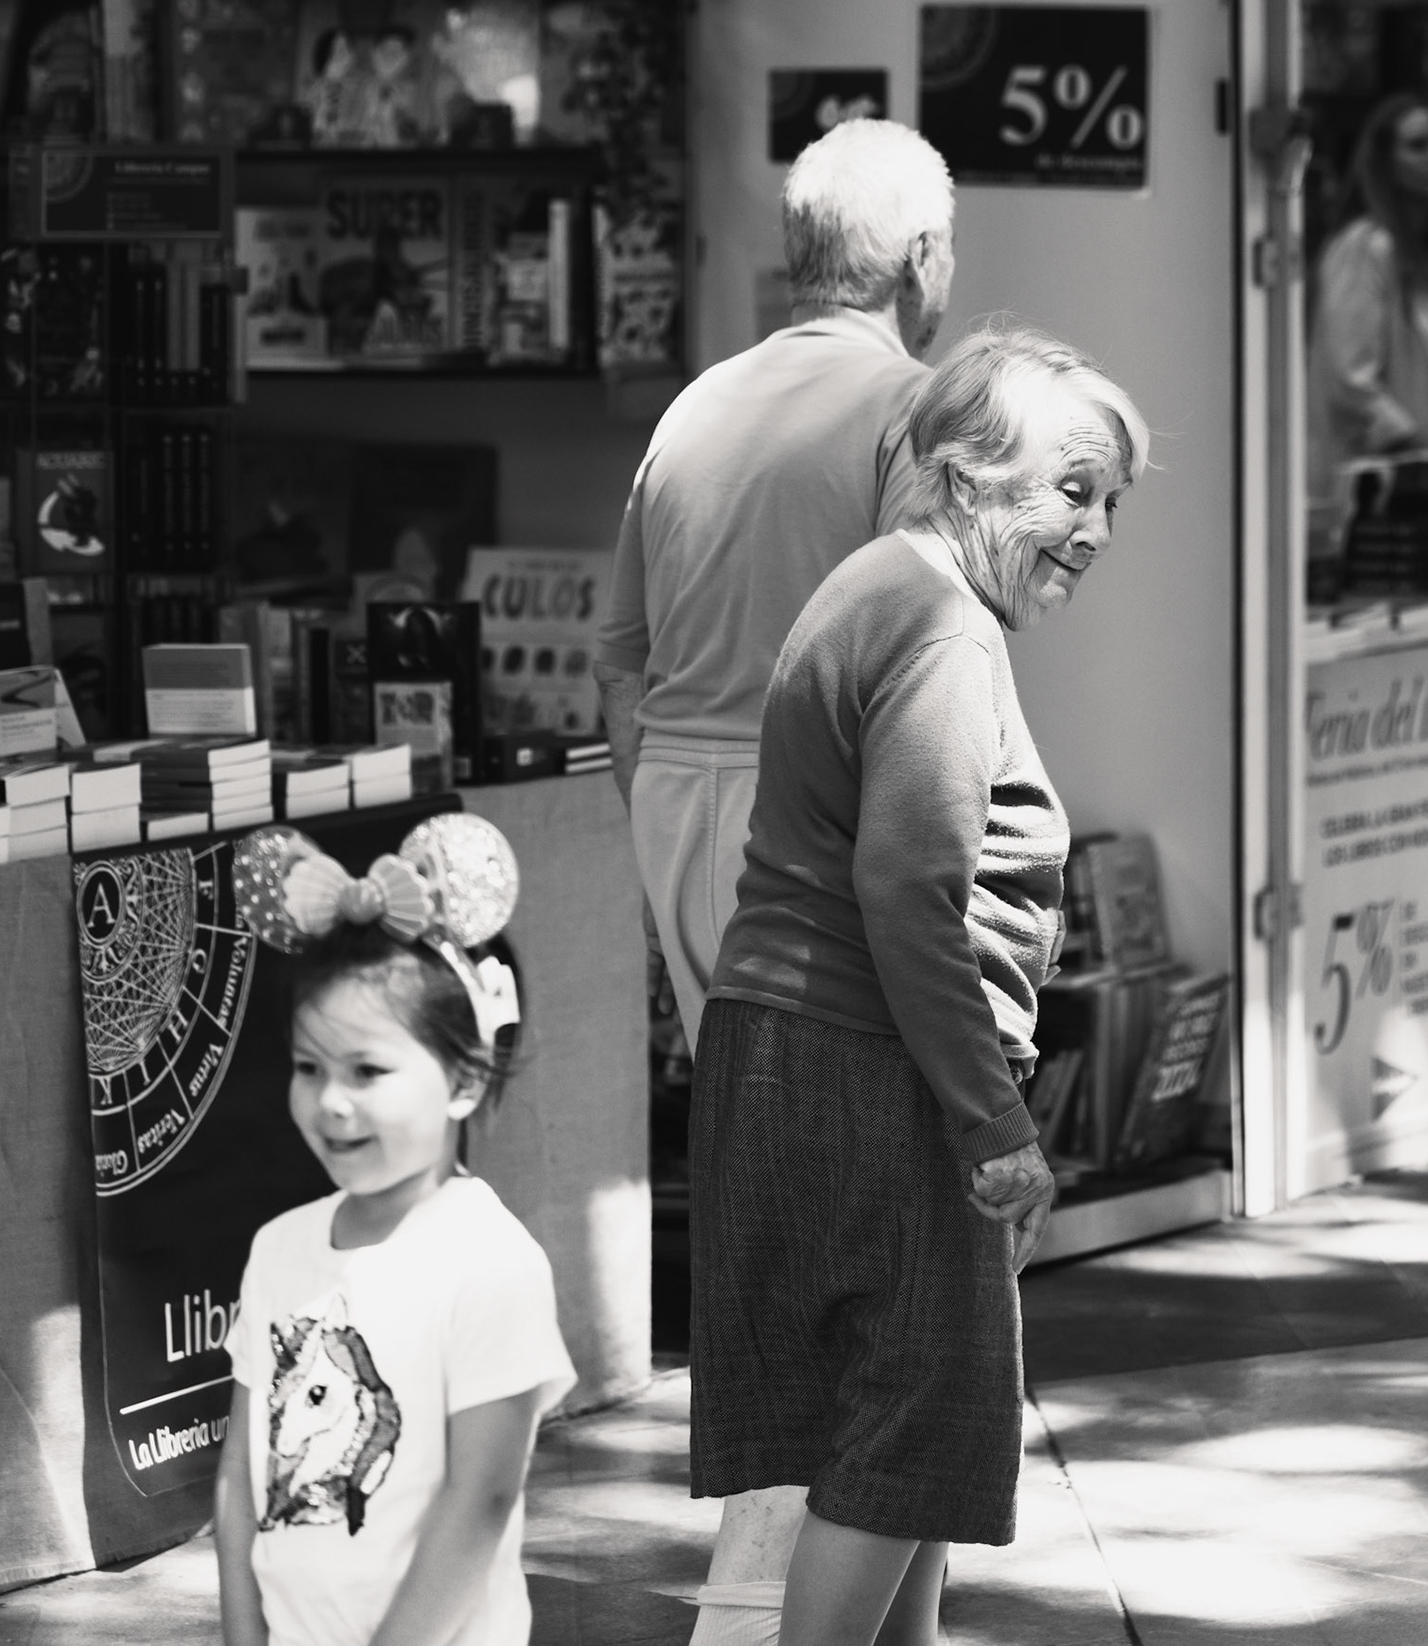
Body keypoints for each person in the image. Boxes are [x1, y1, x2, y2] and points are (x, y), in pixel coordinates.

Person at [690, 319, 1148, 1646]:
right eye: (1072, 489)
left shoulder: (881, 585)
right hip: (861, 1060)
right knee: (913, 1417)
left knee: (909, 1425)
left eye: (1108, 499)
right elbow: (908, 893)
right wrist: (995, 1126)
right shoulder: (942, 627)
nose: (1095, 528)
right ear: (967, 471)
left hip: (809, 1047)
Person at [593, 118, 955, 1643]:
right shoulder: (922, 408)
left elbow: (619, 659)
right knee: (870, 1228)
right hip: (816, 822)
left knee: (833, 1201)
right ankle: (759, 1606)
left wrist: (668, 808)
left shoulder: (697, 405)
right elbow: (923, 663)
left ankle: (895, 1613)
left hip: (685, 801)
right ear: (926, 260)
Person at [215, 815, 576, 1646]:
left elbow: (481, 1500)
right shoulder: (278, 1248)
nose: (331, 1102)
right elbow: (242, 1476)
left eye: (368, 1071)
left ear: (463, 1079)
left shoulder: (491, 1263)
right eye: (310, 1068)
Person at [1307, 92, 1428, 510]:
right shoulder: (1364, 247)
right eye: (1418, 146)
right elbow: (1349, 379)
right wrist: (1417, 451)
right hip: (1379, 485)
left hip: (1426, 477)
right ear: (1384, 160)